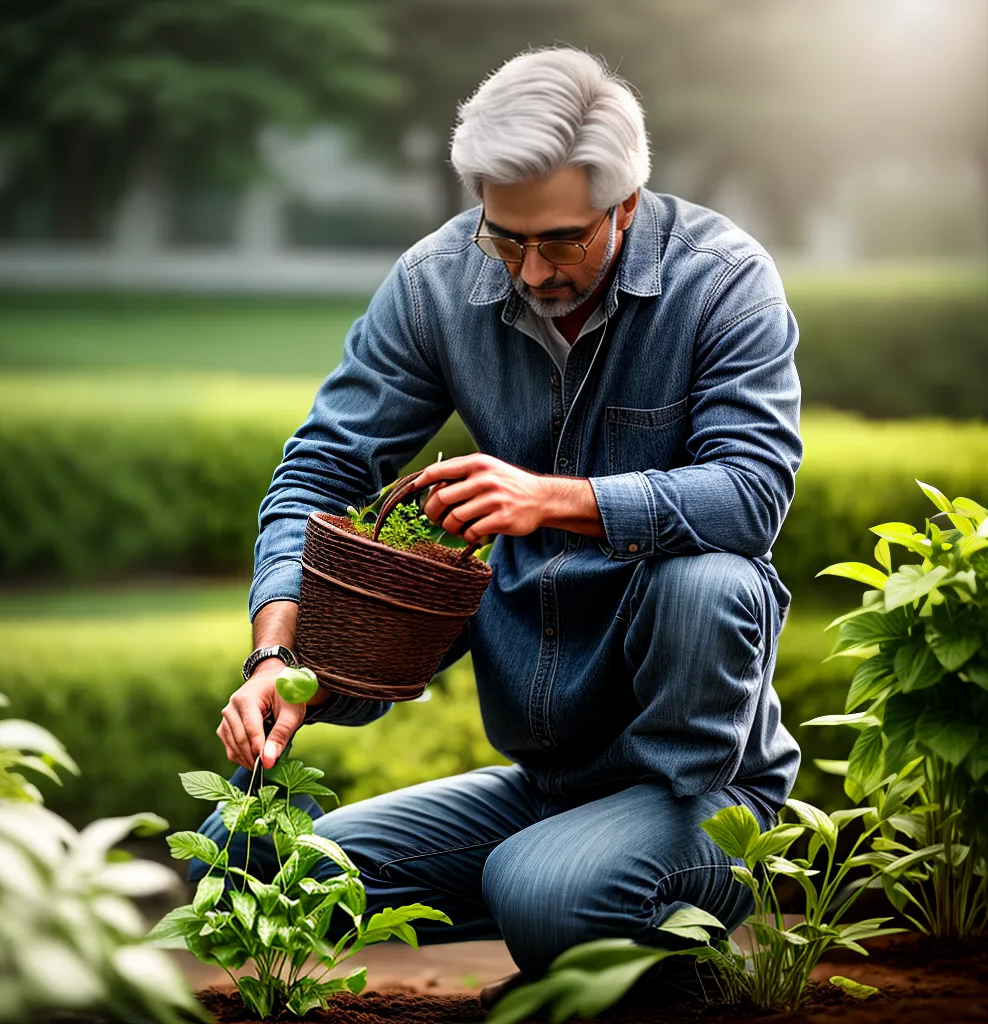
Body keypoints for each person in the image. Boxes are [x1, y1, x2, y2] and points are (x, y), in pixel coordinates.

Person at [192, 46, 803, 1005]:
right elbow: (320, 468)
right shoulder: (437, 282)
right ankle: (563, 876)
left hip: (703, 793)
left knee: (707, 577)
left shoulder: (720, 280)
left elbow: (753, 490)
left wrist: (556, 499)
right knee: (241, 862)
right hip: (545, 778)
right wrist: (276, 652)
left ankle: (619, 898)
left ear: (627, 206)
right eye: (503, 237)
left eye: (560, 241)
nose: (530, 270)